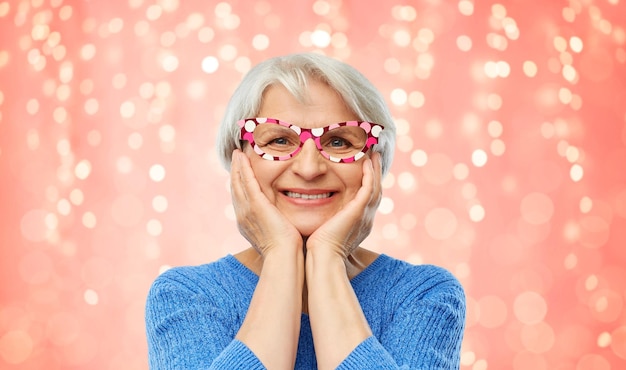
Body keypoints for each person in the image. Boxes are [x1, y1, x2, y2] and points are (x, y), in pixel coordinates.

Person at [145, 52, 466, 369]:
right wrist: (281, 253)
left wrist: (328, 257)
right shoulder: (185, 298)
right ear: (238, 159)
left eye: (339, 141)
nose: (310, 168)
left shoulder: (425, 297)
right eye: (279, 140)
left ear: (375, 161)